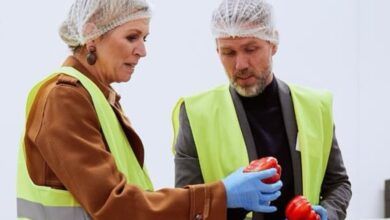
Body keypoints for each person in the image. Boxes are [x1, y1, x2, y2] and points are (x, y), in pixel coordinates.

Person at [16, 0, 284, 219]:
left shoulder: (98, 98)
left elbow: (132, 201)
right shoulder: (64, 98)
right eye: (131, 37)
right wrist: (221, 194)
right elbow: (115, 206)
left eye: (144, 37)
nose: (143, 50)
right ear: (91, 35)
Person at [172, 0, 352, 219]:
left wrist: (329, 214)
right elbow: (187, 204)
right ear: (217, 50)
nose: (240, 64)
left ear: (273, 43)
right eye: (228, 52)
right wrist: (227, 200)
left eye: (251, 49)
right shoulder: (195, 113)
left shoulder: (315, 106)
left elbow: (338, 183)